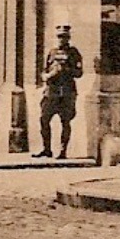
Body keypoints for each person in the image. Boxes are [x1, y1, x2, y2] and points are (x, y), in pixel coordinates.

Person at [37, 24, 85, 159]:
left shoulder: (74, 53)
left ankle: (63, 151)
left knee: (65, 121)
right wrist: (46, 76)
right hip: (51, 91)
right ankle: (46, 149)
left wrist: (66, 70)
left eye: (64, 37)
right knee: (44, 119)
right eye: (59, 36)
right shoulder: (52, 52)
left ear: (68, 38)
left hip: (66, 92)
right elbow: (44, 70)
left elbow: (79, 72)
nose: (61, 39)